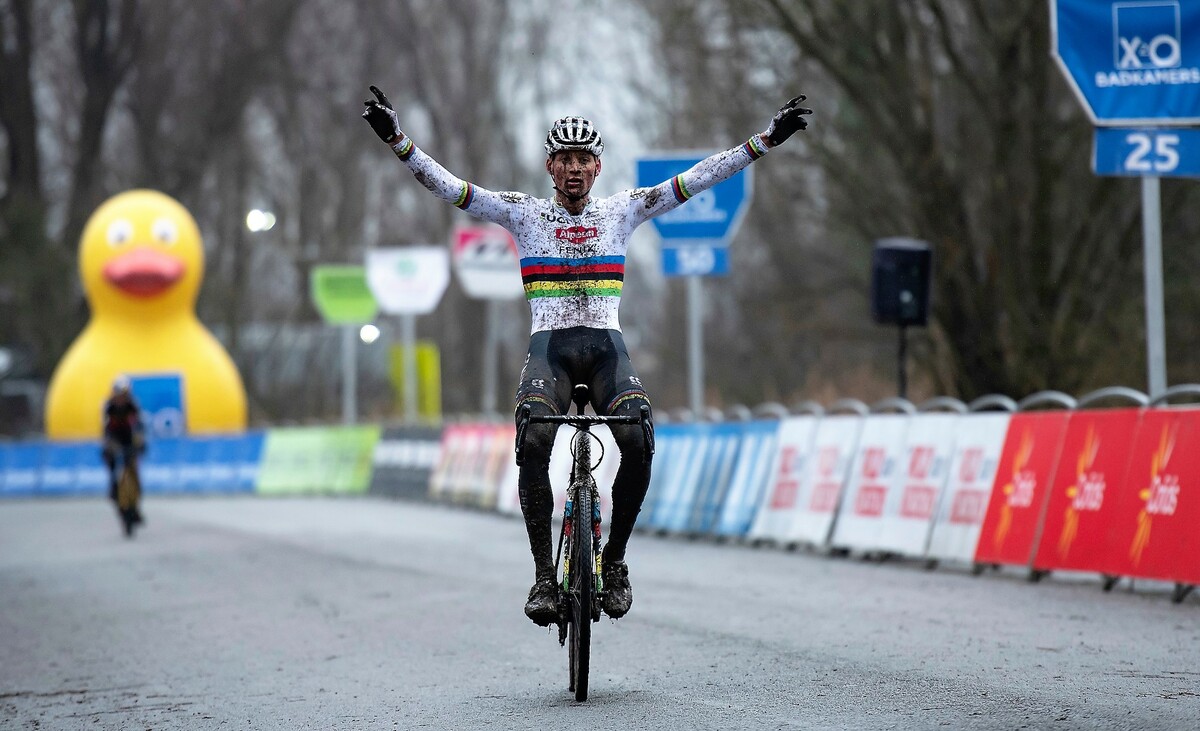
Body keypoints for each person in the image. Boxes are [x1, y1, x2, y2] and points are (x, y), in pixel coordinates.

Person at [362, 87, 812, 625]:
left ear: (597, 167)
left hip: (605, 351)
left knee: (639, 437)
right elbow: (452, 188)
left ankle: (615, 561)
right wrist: (398, 140)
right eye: (564, 159)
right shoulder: (522, 213)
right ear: (549, 166)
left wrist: (764, 142)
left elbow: (698, 178)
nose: (574, 169)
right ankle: (544, 580)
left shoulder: (622, 211)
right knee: (532, 437)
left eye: (583, 159)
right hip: (549, 351)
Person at [102, 375, 145, 530]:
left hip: (128, 441)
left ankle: (135, 504)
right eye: (118, 395)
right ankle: (114, 493)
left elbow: (138, 427)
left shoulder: (133, 406)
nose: (121, 399)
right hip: (115, 441)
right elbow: (106, 431)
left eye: (124, 395)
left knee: (133, 472)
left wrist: (140, 443)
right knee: (113, 473)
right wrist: (107, 447)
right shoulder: (109, 407)